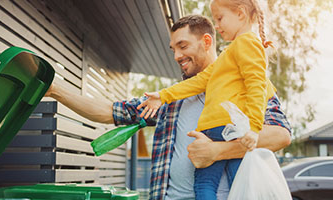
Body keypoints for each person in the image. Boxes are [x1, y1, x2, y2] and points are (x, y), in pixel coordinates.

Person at [45, 14, 291, 200]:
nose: (176, 56)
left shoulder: (249, 83)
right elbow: (111, 111)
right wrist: (56, 90)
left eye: (183, 46)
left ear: (207, 42)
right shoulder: (170, 99)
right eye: (173, 49)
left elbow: (279, 136)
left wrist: (217, 151)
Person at [138, 0, 283, 199]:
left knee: (207, 184)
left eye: (220, 18)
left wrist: (254, 128)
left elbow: (256, 85)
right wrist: (163, 96)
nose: (217, 25)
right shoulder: (230, 53)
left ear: (240, 14)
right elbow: (200, 81)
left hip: (222, 129)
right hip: (221, 130)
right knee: (239, 183)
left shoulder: (247, 43)